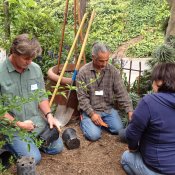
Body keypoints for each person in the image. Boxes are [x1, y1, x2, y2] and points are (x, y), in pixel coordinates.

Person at [0, 34, 63, 164]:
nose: (29, 62)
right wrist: (20, 124)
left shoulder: (35, 69)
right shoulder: (1, 72)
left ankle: (27, 144)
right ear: (14, 52)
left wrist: (49, 115)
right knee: (35, 158)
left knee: (57, 147)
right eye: (26, 58)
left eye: (32, 58)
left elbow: (41, 96)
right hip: (13, 127)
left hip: (35, 122)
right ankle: (9, 144)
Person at [121, 63, 175, 175]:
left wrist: (133, 148)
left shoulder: (150, 101)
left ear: (160, 81)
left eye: (154, 80)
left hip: (159, 168)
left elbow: (132, 134)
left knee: (126, 157)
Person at [76, 42, 133, 141]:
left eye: (107, 60)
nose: (105, 64)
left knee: (118, 129)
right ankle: (85, 120)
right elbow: (82, 97)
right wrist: (92, 114)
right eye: (101, 61)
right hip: (91, 110)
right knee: (94, 136)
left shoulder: (113, 71)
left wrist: (130, 111)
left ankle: (99, 123)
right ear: (93, 57)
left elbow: (122, 92)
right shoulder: (83, 73)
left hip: (107, 109)